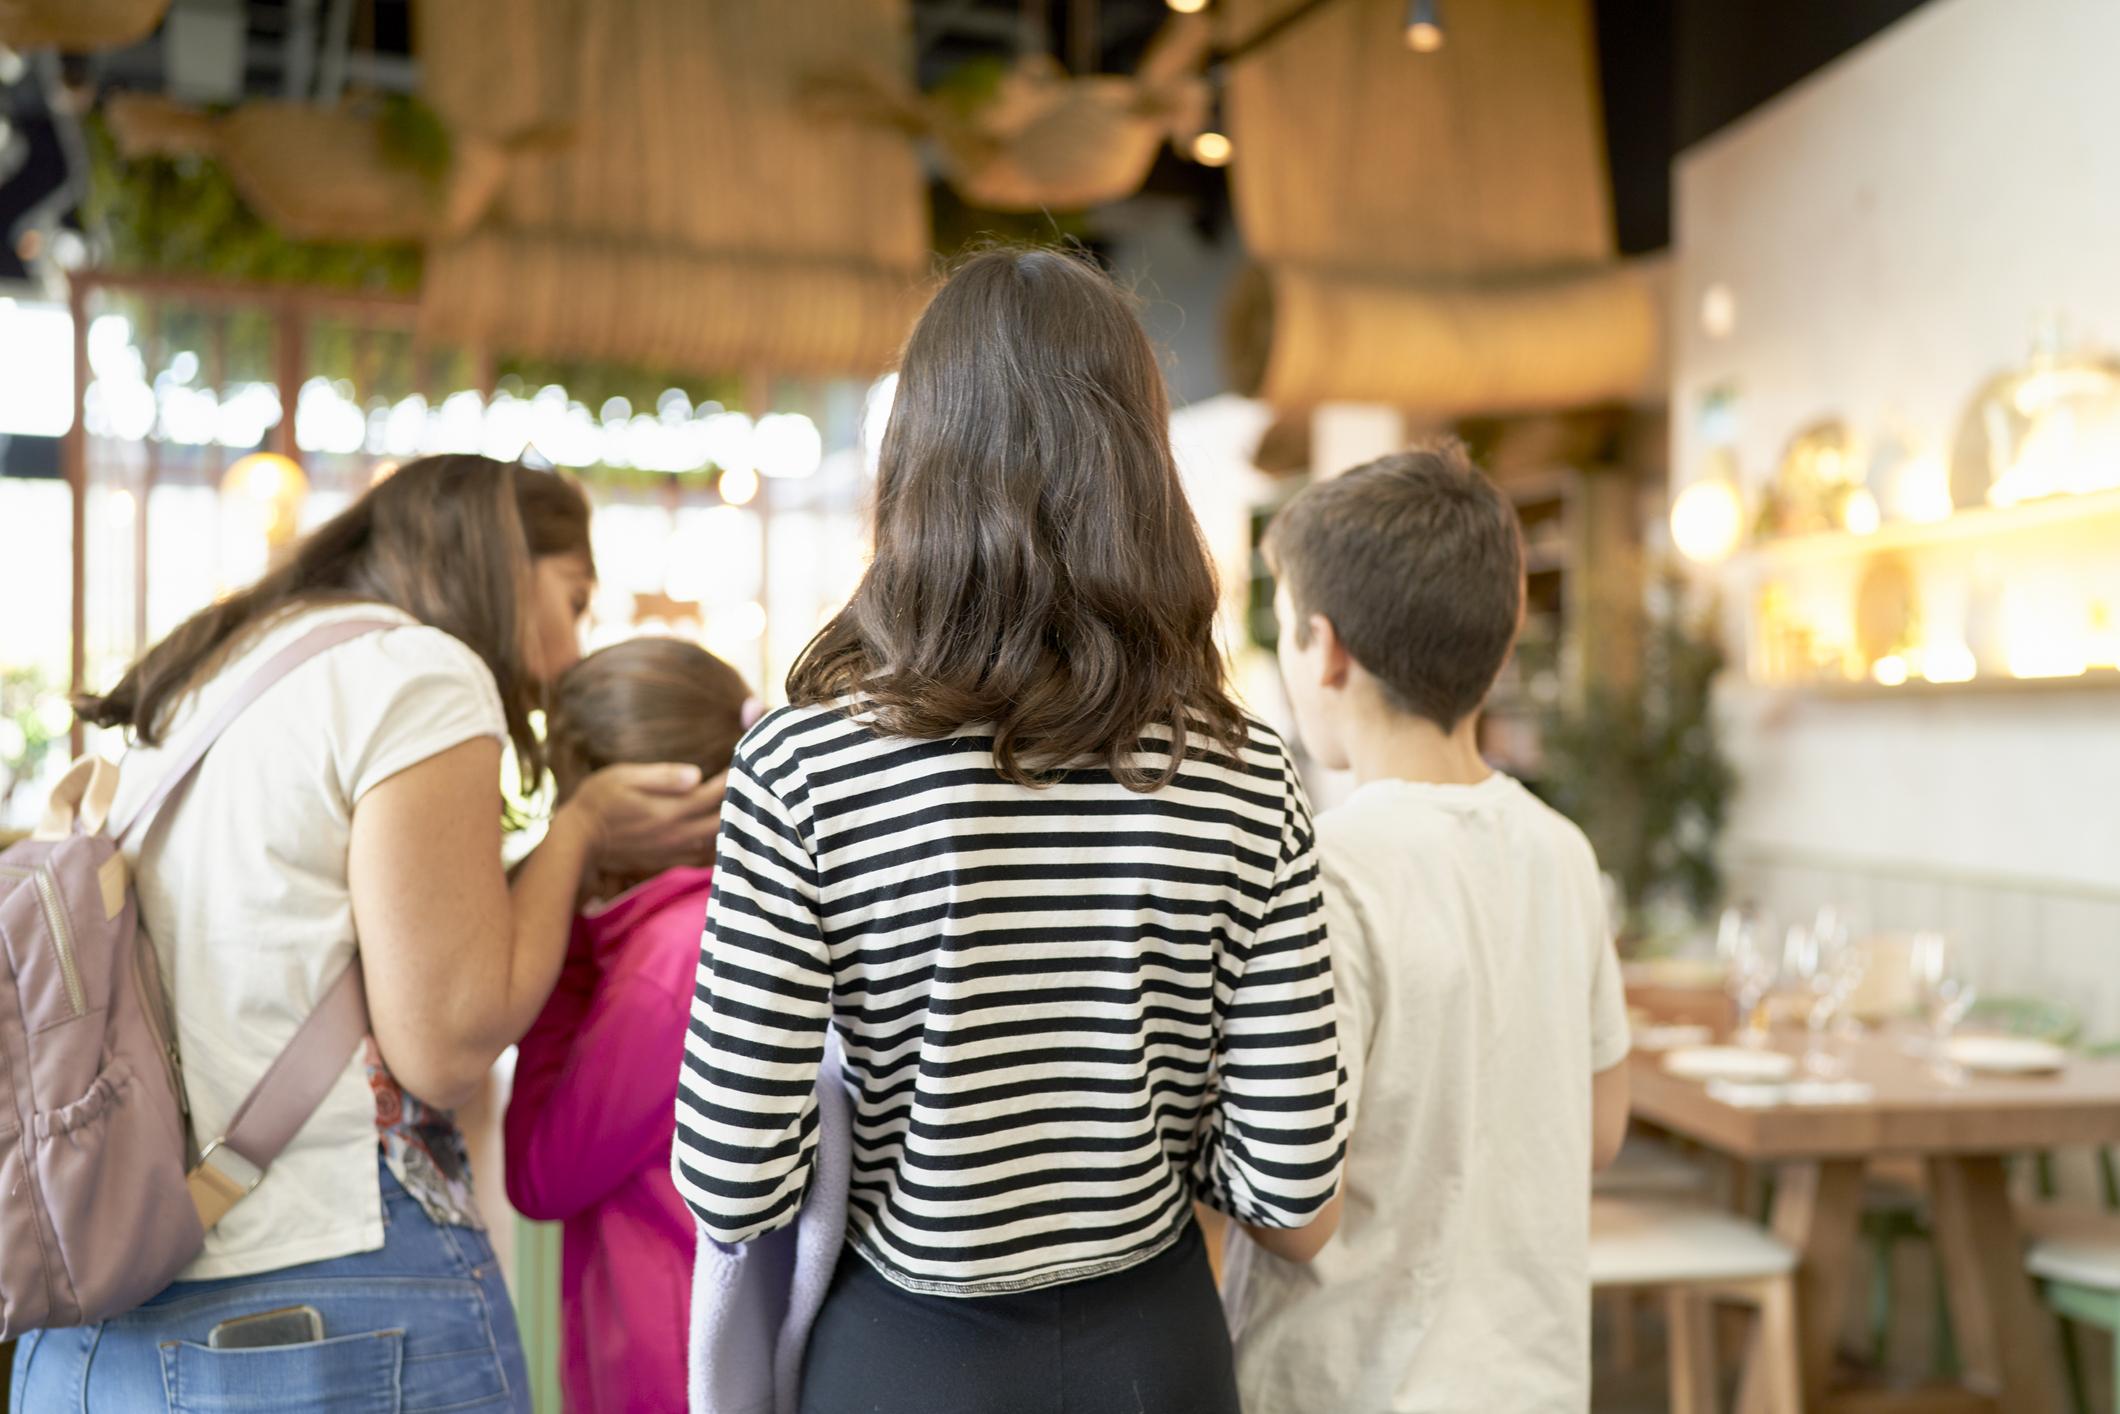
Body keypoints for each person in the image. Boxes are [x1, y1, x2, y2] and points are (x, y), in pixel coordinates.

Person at [671, 247, 1348, 1414]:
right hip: (1157, 1351)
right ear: (1139, 466)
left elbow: (731, 1182)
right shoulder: (1244, 775)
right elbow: (1288, 1182)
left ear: (916, 463)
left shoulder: (801, 768)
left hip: (901, 1360)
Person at [14, 455, 723, 1411]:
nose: (567, 655)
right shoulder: (418, 671)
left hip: (98, 1316)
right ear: (505, 562)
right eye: (575, 599)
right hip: (321, 1291)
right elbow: (448, 1040)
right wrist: (581, 830)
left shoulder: (213, 670)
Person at [1221, 442, 1633, 1414]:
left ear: (1323, 649)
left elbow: (1296, 1214)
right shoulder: (1560, 850)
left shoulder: (1322, 872)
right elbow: (1598, 1127)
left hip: (1347, 1384)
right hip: (1528, 1381)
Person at [506, 636, 756, 1414]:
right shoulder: (716, 922)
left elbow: (540, 1176)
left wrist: (561, 925)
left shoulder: (665, 963)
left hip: (669, 1368)